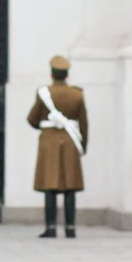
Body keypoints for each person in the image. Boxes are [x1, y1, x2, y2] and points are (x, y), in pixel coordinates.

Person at [27, 55, 88, 239]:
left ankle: (51, 227)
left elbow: (32, 119)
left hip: (49, 142)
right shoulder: (77, 94)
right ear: (66, 74)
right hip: (70, 141)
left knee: (50, 187)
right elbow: (84, 123)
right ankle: (70, 228)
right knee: (70, 187)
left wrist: (46, 126)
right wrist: (83, 145)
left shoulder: (44, 93)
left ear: (52, 74)